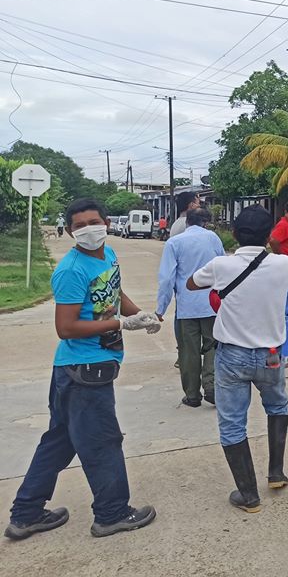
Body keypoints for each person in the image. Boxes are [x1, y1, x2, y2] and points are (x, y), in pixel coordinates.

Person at [5, 198, 160, 541]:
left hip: (86, 367)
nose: (89, 229)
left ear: (106, 222)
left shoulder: (107, 255)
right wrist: (122, 324)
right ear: (71, 231)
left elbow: (113, 290)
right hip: (82, 370)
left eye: (94, 221)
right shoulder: (71, 270)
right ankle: (112, 513)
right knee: (103, 441)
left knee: (59, 441)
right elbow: (66, 327)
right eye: (79, 225)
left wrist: (140, 314)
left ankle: (26, 514)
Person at [187, 206, 288, 513]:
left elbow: (192, 283)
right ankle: (276, 472)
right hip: (271, 355)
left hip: (231, 356)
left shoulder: (220, 265)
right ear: (270, 234)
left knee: (232, 424)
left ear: (233, 234)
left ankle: (248, 495)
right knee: (277, 406)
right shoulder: (283, 264)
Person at [155, 208, 224, 408]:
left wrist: (161, 308)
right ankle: (211, 386)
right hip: (212, 304)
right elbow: (222, 267)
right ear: (205, 222)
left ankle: (192, 395)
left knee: (188, 351)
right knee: (213, 346)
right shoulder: (213, 238)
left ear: (186, 222)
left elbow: (167, 279)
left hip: (187, 307)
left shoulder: (174, 242)